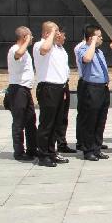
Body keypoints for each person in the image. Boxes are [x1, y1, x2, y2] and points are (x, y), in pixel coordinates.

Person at [32, 22, 70, 167]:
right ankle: (43, 155)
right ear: (47, 33)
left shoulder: (58, 48)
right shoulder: (40, 44)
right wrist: (52, 33)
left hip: (60, 87)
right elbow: (44, 50)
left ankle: (51, 151)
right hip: (48, 87)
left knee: (56, 123)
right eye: (56, 31)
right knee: (47, 123)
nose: (58, 33)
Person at [76, 24, 111, 161]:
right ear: (91, 38)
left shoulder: (99, 52)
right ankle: (88, 150)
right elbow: (87, 59)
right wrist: (92, 43)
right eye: (99, 36)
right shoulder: (83, 49)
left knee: (100, 119)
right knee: (90, 119)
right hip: (91, 87)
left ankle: (97, 148)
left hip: (102, 87)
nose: (102, 38)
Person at [6, 26, 37, 161]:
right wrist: (27, 41)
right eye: (30, 36)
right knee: (19, 122)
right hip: (17, 89)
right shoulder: (15, 49)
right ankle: (19, 152)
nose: (32, 38)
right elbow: (18, 54)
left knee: (31, 120)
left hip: (25, 89)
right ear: (24, 37)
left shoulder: (26, 51)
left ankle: (32, 149)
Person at [52, 28, 74, 154]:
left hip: (64, 84)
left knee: (63, 116)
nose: (65, 38)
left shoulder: (62, 49)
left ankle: (62, 142)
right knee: (55, 117)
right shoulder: (51, 48)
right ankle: (52, 145)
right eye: (63, 35)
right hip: (55, 86)